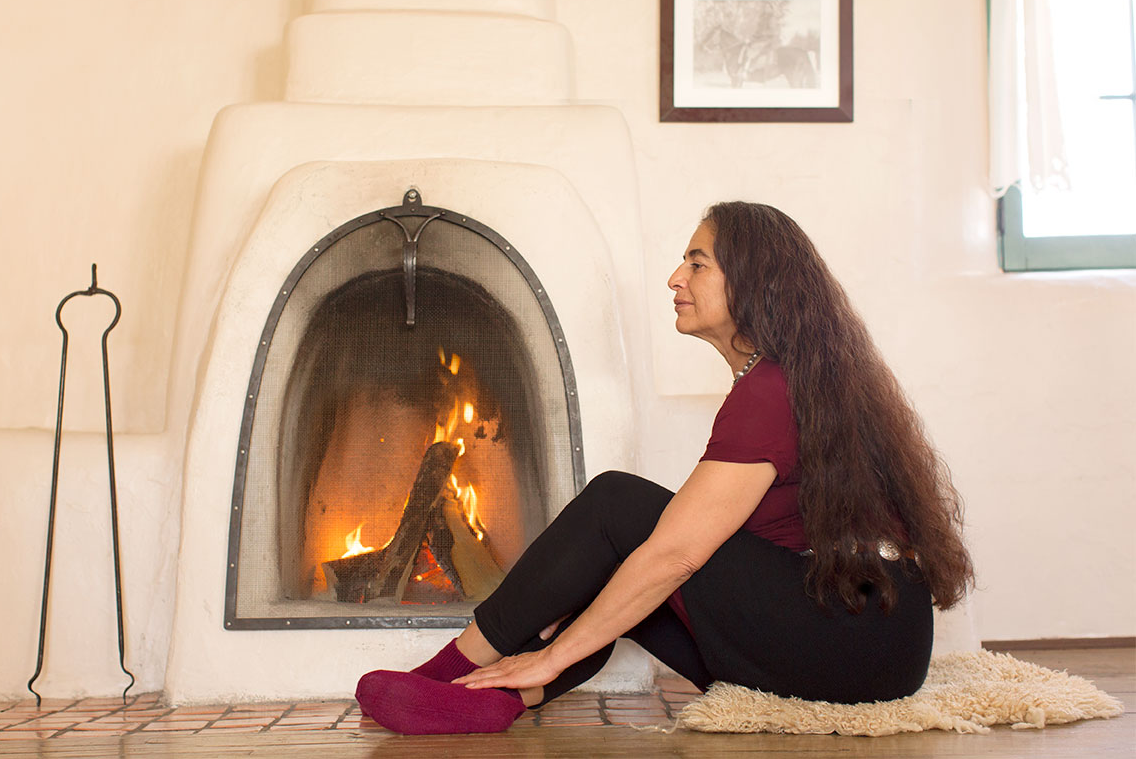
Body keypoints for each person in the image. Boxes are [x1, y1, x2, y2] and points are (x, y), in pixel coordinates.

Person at [355, 201, 974, 735]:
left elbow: (675, 555)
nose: (676, 277)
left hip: (852, 641)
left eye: (698, 263)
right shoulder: (790, 380)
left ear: (753, 281)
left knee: (618, 508)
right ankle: (495, 698)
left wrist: (550, 654)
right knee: (632, 569)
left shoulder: (771, 391)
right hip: (871, 644)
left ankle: (455, 669)